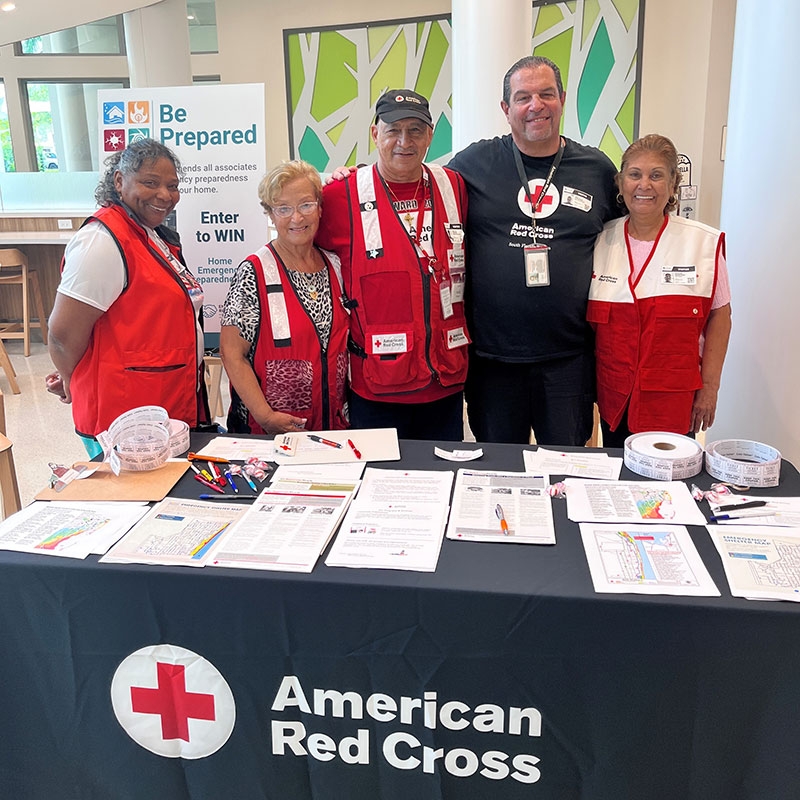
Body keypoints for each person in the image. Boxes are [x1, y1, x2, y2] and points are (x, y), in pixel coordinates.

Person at [448, 55, 620, 446]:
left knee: (569, 472)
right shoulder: (474, 164)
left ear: (562, 98)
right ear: (506, 109)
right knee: (497, 471)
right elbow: (420, 189)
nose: (535, 105)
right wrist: (348, 179)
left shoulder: (596, 169)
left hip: (569, 360)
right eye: (523, 97)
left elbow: (632, 231)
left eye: (546, 94)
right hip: (493, 361)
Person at [316, 89, 469, 441]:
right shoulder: (340, 196)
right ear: (375, 134)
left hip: (445, 379)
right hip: (377, 386)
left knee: (441, 482)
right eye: (393, 130)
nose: (405, 141)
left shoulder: (455, 187)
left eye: (416, 130)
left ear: (430, 135)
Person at [47, 138, 209, 457]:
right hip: (121, 419)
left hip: (160, 406)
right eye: (151, 183)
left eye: (172, 185)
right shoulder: (102, 241)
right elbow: (63, 335)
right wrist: (72, 381)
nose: (165, 195)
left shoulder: (152, 235)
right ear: (120, 181)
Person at [587, 134, 732, 446]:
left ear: (672, 184)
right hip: (615, 402)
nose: (644, 185)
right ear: (620, 181)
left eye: (656, 175)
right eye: (635, 174)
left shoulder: (703, 244)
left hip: (674, 404)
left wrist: (710, 387)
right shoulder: (599, 241)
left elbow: (721, 317)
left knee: (669, 490)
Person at [220, 160, 349, 434]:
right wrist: (265, 416)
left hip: (333, 428)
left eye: (305, 205)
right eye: (283, 209)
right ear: (270, 214)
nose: (296, 218)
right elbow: (232, 354)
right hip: (271, 431)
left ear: (319, 206)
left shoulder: (337, 266)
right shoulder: (253, 272)